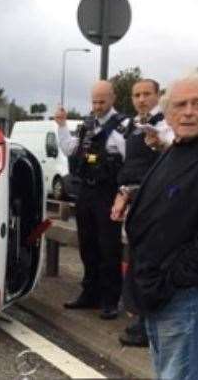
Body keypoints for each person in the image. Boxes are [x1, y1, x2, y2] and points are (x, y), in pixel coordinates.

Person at [125, 73, 198, 379]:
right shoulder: (178, 149)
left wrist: (171, 279)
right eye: (180, 104)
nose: (188, 111)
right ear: (167, 114)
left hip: (183, 296)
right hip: (159, 293)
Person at [56, 80, 127, 320]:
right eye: (94, 101)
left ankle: (109, 300)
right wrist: (62, 125)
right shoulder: (87, 125)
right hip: (86, 192)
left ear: (113, 98)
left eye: (102, 101)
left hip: (108, 193)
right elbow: (69, 149)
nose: (97, 106)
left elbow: (130, 162)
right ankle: (90, 293)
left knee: (109, 248)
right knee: (87, 245)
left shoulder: (123, 126)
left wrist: (124, 195)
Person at [110, 79, 174, 347]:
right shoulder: (131, 127)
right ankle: (138, 317)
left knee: (150, 262)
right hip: (134, 200)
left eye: (147, 94)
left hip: (158, 203)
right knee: (134, 258)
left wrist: (160, 143)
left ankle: (148, 322)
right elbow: (129, 165)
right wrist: (121, 192)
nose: (141, 99)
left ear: (158, 95)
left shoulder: (166, 124)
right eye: (136, 95)